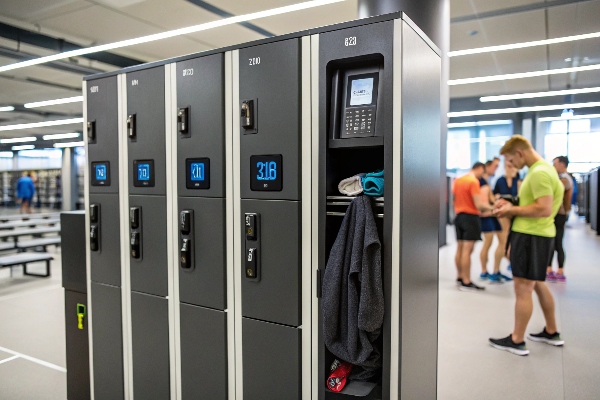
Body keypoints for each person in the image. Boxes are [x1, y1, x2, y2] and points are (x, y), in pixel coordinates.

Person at [490, 136, 565, 356]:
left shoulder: (540, 173)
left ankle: (517, 340)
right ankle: (551, 331)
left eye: (512, 159)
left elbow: (543, 208)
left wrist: (509, 210)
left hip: (531, 235)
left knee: (523, 288)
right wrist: (513, 203)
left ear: (520, 152)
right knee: (537, 283)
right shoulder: (543, 170)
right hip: (538, 234)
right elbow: (537, 204)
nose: (511, 164)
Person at [452, 162, 495, 292]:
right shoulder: (473, 182)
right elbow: (479, 205)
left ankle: (460, 276)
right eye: (483, 172)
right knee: (467, 251)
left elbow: (455, 198)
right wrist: (493, 208)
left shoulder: (458, 180)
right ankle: (466, 281)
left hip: (459, 217)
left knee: (460, 248)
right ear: (480, 168)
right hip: (470, 218)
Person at [492, 163, 522, 280]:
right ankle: (496, 271)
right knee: (502, 242)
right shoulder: (500, 181)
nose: (511, 169)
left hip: (515, 213)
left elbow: (520, 197)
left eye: (512, 166)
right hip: (503, 213)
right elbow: (495, 196)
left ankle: (511, 266)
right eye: (508, 166)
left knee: (512, 242)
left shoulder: (518, 181)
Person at [478, 160, 506, 283]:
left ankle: (495, 271)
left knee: (501, 241)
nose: (496, 169)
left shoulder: (486, 182)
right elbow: (483, 205)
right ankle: (485, 271)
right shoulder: (483, 183)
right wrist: (493, 208)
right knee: (488, 243)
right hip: (487, 216)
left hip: (491, 216)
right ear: (487, 167)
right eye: (495, 167)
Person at [547, 156, 573, 283]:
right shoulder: (562, 178)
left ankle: (559, 270)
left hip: (559, 215)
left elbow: (555, 191)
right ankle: (550, 268)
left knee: (556, 242)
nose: (553, 166)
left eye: (555, 163)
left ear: (562, 164)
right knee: (554, 242)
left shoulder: (564, 179)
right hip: (558, 214)